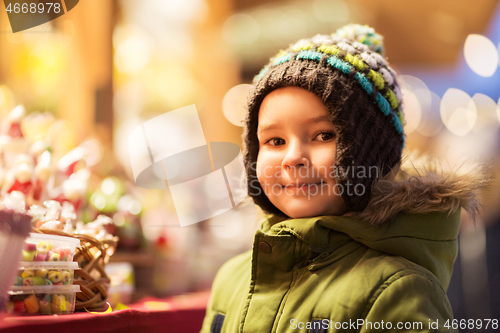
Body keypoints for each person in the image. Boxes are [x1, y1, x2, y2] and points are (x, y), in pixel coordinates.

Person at [200, 24, 487, 333]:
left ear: (372, 153)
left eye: (323, 135)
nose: (292, 157)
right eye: (275, 141)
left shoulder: (396, 292)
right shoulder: (232, 280)